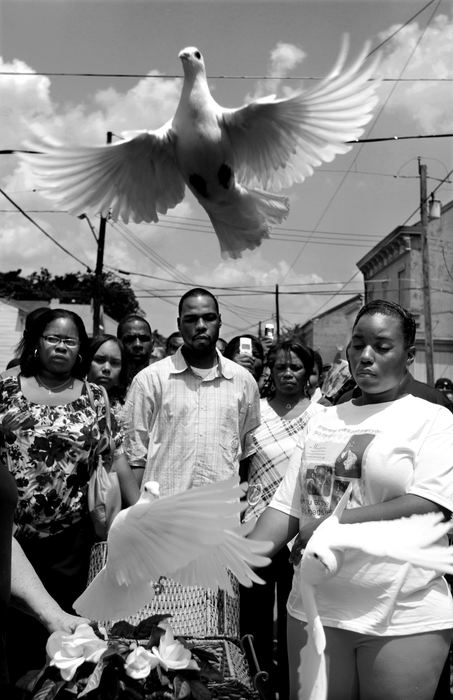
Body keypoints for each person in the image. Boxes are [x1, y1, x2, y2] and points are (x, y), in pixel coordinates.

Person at [249, 299, 453, 700]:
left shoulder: (433, 420)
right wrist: (228, 554)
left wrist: (335, 526)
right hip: (313, 610)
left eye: (381, 346)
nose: (365, 355)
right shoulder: (325, 420)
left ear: (408, 355)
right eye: (357, 344)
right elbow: (288, 509)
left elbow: (431, 504)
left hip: (401, 613)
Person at [0, 309, 138, 684]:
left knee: (68, 633)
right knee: (16, 634)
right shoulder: (6, 389)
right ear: (37, 343)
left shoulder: (96, 397)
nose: (60, 346)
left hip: (71, 540)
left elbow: (112, 458)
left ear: (80, 351)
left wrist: (134, 510)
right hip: (10, 536)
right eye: (52, 338)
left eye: (70, 341)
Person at [240, 338, 325, 699]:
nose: (288, 373)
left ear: (308, 373)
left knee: (300, 615)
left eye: (296, 367)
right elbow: (239, 466)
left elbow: (325, 474)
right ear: (269, 373)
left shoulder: (323, 414)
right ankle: (253, 682)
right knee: (254, 615)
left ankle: (296, 685)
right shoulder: (254, 412)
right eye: (280, 367)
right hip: (258, 525)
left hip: (304, 532)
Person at [123, 288, 261, 494]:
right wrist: (137, 514)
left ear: (220, 321)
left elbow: (245, 457)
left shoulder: (243, 381)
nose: (201, 326)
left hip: (219, 516)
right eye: (191, 319)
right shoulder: (150, 381)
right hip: (161, 516)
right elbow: (135, 457)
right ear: (179, 324)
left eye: (209, 318)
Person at [117, 314, 154, 388]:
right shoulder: (109, 383)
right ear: (118, 344)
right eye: (129, 339)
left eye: (143, 339)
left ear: (152, 345)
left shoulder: (163, 381)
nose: (137, 344)